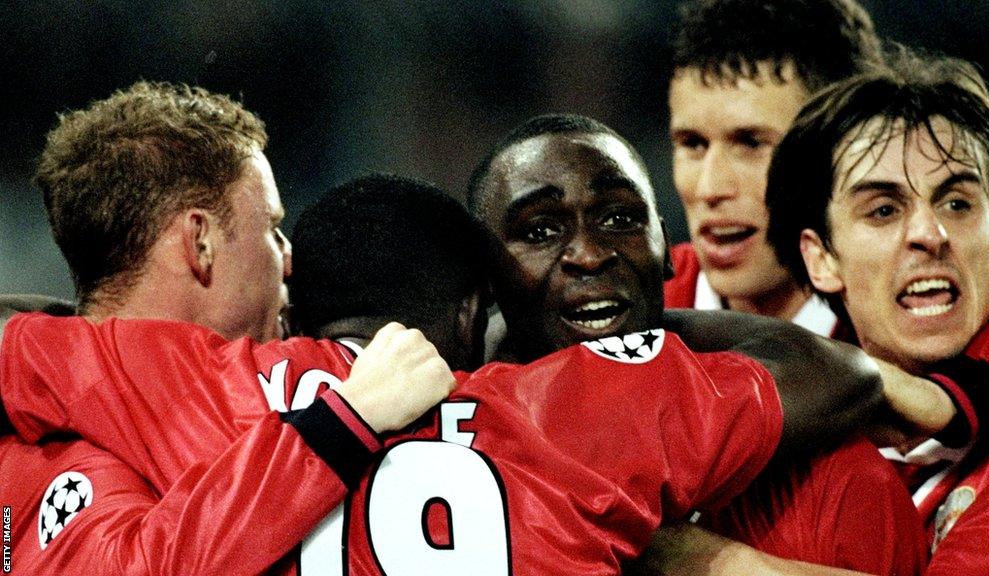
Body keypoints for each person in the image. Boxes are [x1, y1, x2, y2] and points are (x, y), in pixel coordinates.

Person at [6, 174, 900, 574]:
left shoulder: (183, 385)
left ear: (302, 311)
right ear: (480, 310)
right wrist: (608, 334)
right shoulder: (566, 414)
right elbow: (831, 372)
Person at [0, 81, 456, 574]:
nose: (288, 258)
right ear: (201, 243)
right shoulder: (53, 447)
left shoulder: (86, 379)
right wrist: (347, 420)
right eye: (271, 227)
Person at [467, 113, 932, 574]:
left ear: (666, 250)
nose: (589, 255)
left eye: (619, 218)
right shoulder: (428, 451)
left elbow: (847, 375)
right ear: (484, 280)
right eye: (540, 231)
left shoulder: (833, 481)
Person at [765, 51, 989, 575]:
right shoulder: (777, 454)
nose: (930, 234)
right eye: (884, 210)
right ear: (822, 258)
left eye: (957, 203)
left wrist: (705, 562)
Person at [664, 0, 884, 339]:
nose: (710, 188)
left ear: (844, 150)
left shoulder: (920, 321)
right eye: (693, 144)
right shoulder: (629, 312)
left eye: (751, 143)